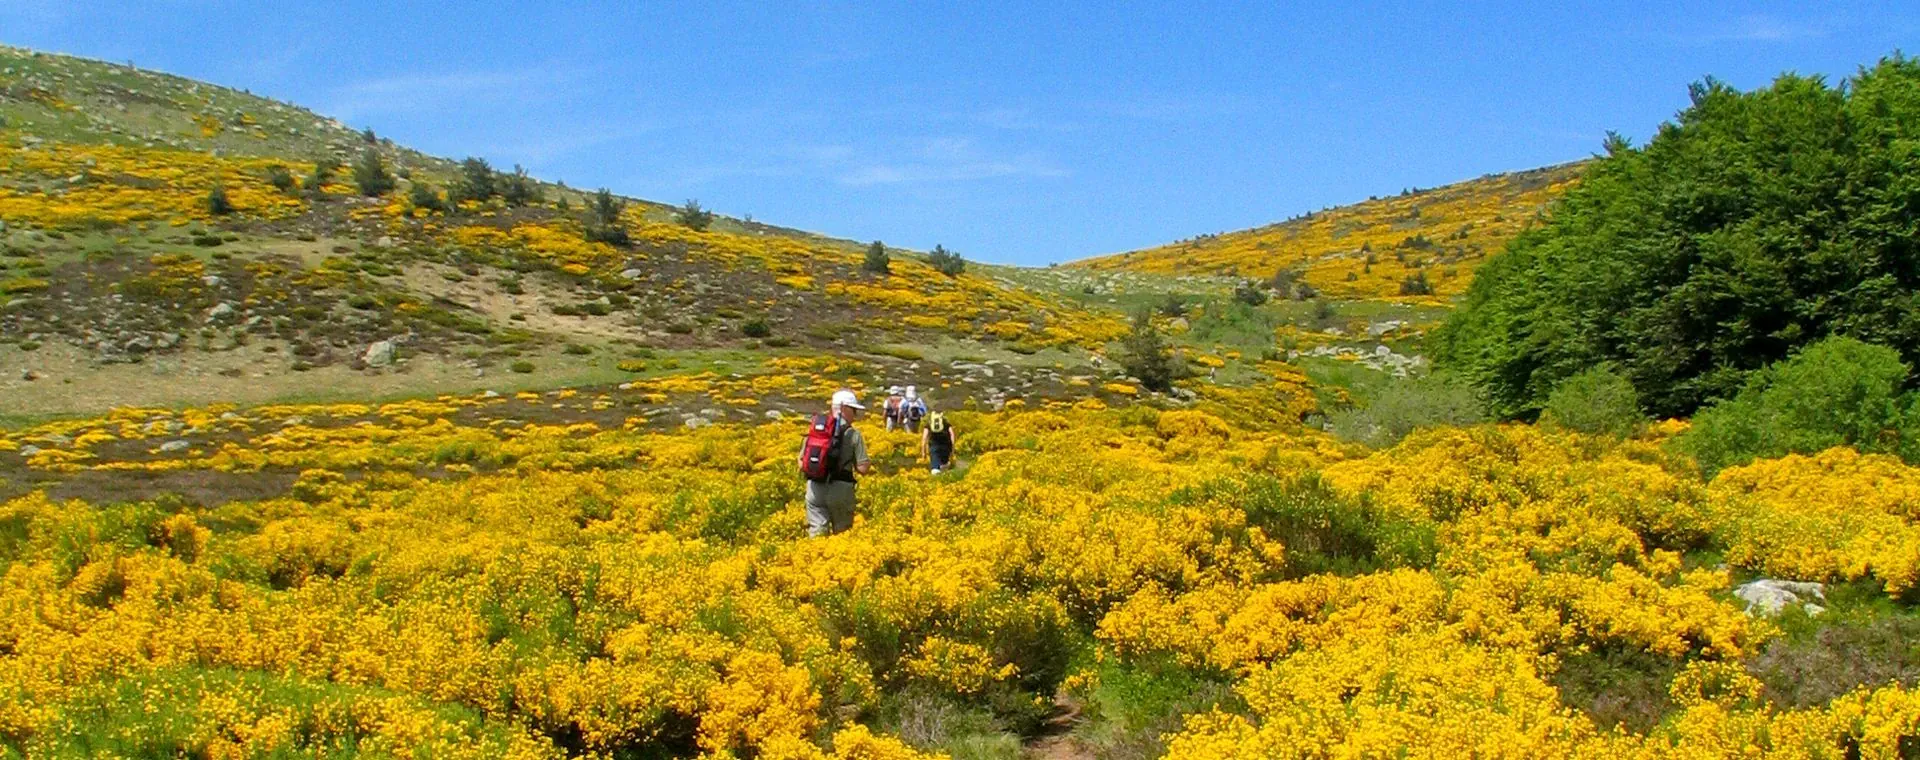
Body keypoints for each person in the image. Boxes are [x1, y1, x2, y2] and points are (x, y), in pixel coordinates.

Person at [797, 388, 872, 537]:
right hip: (841, 490)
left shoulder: (817, 430)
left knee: (817, 532)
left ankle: (814, 558)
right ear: (845, 408)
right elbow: (863, 469)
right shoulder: (853, 434)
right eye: (853, 410)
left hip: (814, 488)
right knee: (842, 534)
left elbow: (801, 462)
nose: (855, 415)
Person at [920, 409, 958, 474]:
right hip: (946, 447)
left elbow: (924, 438)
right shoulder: (946, 424)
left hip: (934, 447)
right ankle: (944, 481)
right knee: (944, 466)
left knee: (935, 469)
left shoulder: (929, 424)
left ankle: (936, 481)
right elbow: (952, 435)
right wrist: (952, 449)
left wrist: (924, 452)